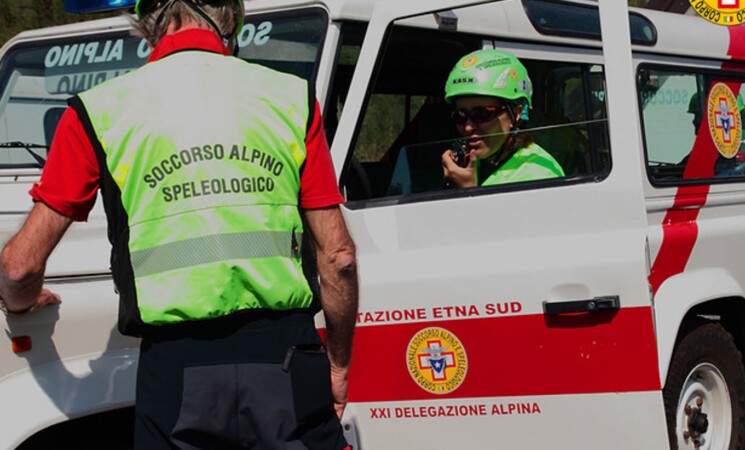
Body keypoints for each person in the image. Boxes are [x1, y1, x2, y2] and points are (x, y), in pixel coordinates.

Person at [0, 0, 358, 448]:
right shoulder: (290, 97)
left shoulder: (99, 110)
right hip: (286, 360)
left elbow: (19, 266)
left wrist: (20, 304)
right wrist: (339, 366)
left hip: (176, 370)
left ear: (147, 22)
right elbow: (339, 257)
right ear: (232, 18)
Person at [441, 49, 564, 188]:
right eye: (460, 116)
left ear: (516, 113)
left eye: (481, 114)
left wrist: (468, 190)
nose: (468, 126)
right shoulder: (473, 161)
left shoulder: (540, 174)